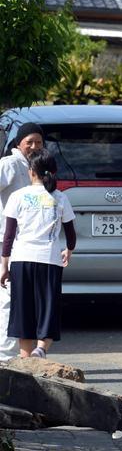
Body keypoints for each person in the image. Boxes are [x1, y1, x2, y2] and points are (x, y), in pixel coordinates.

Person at [0, 149, 75, 359]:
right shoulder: (60, 197)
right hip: (49, 261)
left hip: (21, 260)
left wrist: (4, 266)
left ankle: (26, 360)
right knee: (47, 308)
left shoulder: (18, 196)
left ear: (31, 171)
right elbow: (70, 234)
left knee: (23, 310)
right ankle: (41, 349)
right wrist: (68, 251)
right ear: (53, 172)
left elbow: (8, 236)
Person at [0, 123, 45, 360]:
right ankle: (6, 358)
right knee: (9, 297)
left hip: (23, 244)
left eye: (39, 142)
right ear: (19, 143)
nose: (34, 146)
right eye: (30, 142)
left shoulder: (33, 167)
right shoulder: (9, 164)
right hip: (4, 242)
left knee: (16, 298)